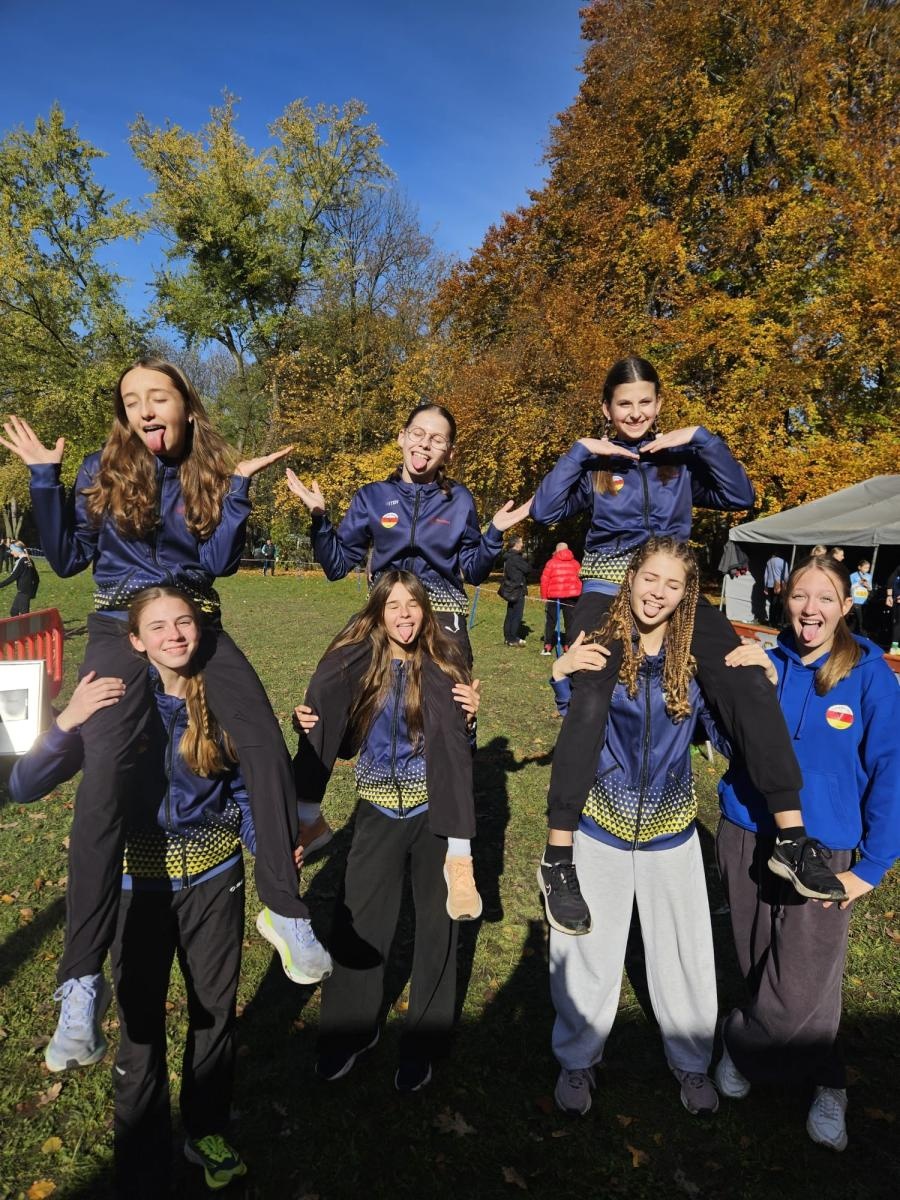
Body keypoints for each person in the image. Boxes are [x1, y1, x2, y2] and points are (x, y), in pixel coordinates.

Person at [0, 359, 329, 1073]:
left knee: (265, 749)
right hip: (122, 624)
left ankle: (285, 908)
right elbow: (64, 557)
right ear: (124, 415)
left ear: (184, 404)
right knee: (104, 782)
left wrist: (238, 490)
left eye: (158, 396)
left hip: (194, 619)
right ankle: (81, 983)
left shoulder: (207, 469)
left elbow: (216, 561)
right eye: (131, 401)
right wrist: (44, 480)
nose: (145, 408)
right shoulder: (100, 466)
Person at [7, 589, 312, 1194]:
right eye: (158, 626)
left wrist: (268, 840)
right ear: (136, 640)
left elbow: (246, 795)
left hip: (214, 882)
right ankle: (142, 1161)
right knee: (139, 1026)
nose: (175, 635)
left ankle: (206, 1130)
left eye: (184, 622)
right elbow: (22, 785)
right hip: (133, 887)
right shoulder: (112, 703)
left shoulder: (223, 699)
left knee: (213, 1014)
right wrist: (66, 720)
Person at [530, 354, 844, 935]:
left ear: (658, 405)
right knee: (594, 688)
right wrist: (579, 452)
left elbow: (739, 493)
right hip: (607, 588)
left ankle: (792, 836)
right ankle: (558, 855)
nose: (635, 413)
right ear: (607, 409)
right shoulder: (596, 468)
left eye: (645, 402)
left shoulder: (679, 463)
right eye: (623, 404)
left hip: (677, 590)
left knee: (746, 678)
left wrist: (702, 439)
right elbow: (545, 510)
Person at [286, 401, 528, 873]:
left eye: (437, 439)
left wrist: (494, 532)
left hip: (442, 611)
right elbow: (338, 565)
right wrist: (319, 518)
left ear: (448, 452)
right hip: (388, 607)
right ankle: (308, 817)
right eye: (418, 433)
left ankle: (457, 849)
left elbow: (475, 568)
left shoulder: (459, 501)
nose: (425, 445)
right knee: (330, 678)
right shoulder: (373, 497)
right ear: (401, 437)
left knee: (452, 703)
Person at [714, 554, 900, 1152]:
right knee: (757, 958)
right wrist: (738, 684)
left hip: (827, 848)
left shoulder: (870, 672)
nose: (810, 608)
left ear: (847, 606)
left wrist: (871, 867)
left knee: (804, 975)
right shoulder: (767, 660)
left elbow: (890, 768)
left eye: (825, 597)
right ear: (783, 600)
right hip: (747, 827)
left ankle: (813, 1076)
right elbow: (722, 739)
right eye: (799, 596)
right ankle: (810, 1066)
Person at [548, 538, 723, 1117]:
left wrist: (751, 677)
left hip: (671, 825)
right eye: (651, 578)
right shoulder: (602, 642)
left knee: (684, 949)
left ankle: (692, 1064)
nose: (657, 593)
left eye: (672, 585)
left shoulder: (694, 654)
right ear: (632, 577)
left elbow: (718, 727)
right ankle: (577, 1061)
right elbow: (572, 720)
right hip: (601, 820)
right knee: (585, 945)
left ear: (686, 594)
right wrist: (560, 670)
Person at [305, 571, 480, 1092]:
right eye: (393, 606)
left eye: (413, 606)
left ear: (425, 611)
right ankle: (353, 1029)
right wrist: (309, 721)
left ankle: (425, 1039)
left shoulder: (447, 661)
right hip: (378, 807)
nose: (404, 615)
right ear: (379, 611)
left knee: (438, 924)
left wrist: (471, 721)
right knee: (359, 920)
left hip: (435, 812)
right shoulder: (359, 662)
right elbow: (340, 737)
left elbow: (458, 752)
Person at [539, 541, 582, 655]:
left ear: (557, 550)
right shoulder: (576, 563)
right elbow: (580, 579)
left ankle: (547, 645)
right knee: (571, 622)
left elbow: (544, 580)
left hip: (554, 596)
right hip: (572, 596)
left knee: (551, 621)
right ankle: (568, 644)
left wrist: (544, 596)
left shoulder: (551, 563)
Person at [500, 535, 532, 646]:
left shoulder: (508, 557)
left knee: (510, 613)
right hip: (517, 589)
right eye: (521, 542)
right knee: (516, 615)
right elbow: (528, 569)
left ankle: (507, 637)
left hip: (510, 588)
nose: (522, 544)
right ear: (516, 544)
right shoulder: (516, 558)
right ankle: (513, 639)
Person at [0, 541, 39, 614]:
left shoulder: (22, 561)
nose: (11, 552)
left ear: (17, 550)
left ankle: (27, 625)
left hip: (24, 592)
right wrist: (33, 592)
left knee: (24, 615)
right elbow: (36, 578)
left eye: (12, 550)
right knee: (14, 612)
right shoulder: (29, 560)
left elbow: (12, 577)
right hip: (24, 591)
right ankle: (19, 625)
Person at [763, 551, 789, 626]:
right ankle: (778, 621)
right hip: (780, 585)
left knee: (772, 603)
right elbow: (786, 576)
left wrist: (765, 586)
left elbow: (766, 575)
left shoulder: (769, 562)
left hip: (770, 584)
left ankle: (771, 621)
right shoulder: (783, 562)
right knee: (780, 603)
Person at [848, 558, 872, 634]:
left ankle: (850, 633)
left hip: (864, 600)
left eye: (868, 568)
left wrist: (867, 585)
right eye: (865, 567)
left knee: (856, 619)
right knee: (859, 619)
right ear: (859, 567)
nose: (867, 569)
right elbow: (850, 587)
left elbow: (870, 588)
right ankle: (862, 633)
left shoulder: (869, 576)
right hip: (856, 600)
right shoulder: (853, 575)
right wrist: (859, 583)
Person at [886, 564, 900, 653]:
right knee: (898, 623)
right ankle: (894, 647)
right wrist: (889, 596)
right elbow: (891, 580)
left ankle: (895, 646)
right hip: (897, 600)